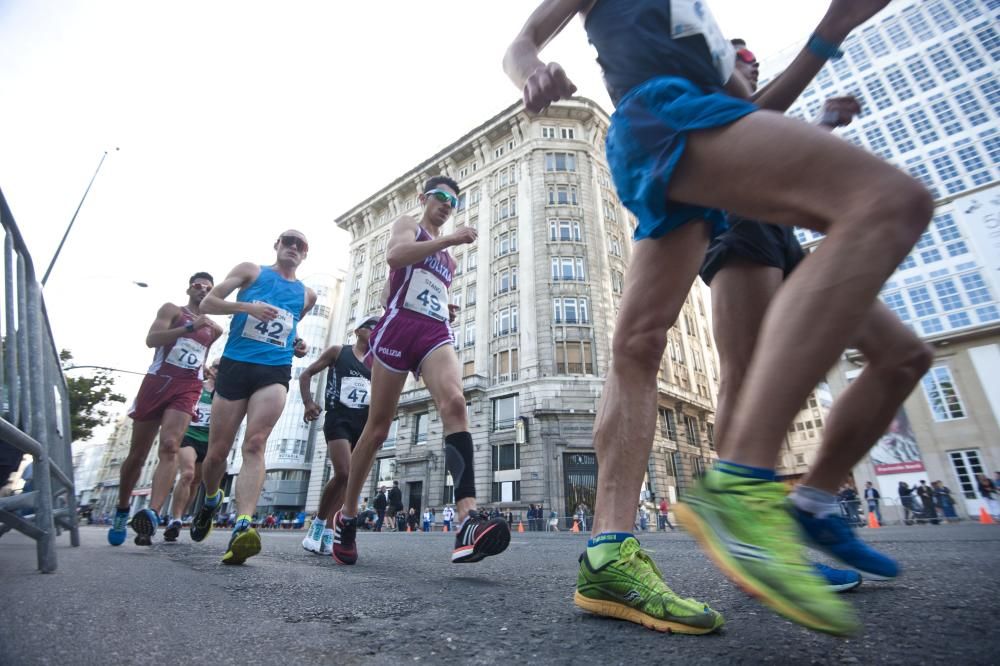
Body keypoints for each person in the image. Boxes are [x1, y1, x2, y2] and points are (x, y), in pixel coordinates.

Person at [505, 0, 931, 636]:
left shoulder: (701, 20)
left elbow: (751, 105)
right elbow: (524, 39)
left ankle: (607, 554)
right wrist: (532, 70)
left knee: (640, 343)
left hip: (695, 133)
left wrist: (830, 30)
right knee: (891, 203)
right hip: (660, 118)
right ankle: (744, 484)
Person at [699, 40, 928, 584]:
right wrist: (828, 40)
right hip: (738, 223)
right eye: (738, 53)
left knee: (902, 357)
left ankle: (815, 504)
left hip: (784, 235)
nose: (750, 59)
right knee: (746, 374)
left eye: (755, 55)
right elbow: (743, 126)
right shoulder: (709, 92)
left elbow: (776, 155)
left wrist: (823, 126)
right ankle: (749, 547)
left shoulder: (758, 112)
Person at [330, 176, 510, 566]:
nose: (447, 205)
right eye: (441, 197)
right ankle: (346, 518)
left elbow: (427, 283)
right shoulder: (408, 227)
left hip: (433, 331)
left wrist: (443, 307)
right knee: (376, 430)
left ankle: (466, 518)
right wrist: (448, 239)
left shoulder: (450, 260)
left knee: (456, 403)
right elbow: (395, 260)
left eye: (454, 202)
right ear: (424, 198)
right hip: (397, 329)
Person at [189, 231, 316, 565]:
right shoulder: (251, 271)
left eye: (300, 245)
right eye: (288, 241)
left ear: (306, 254)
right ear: (276, 245)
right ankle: (212, 498)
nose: (293, 247)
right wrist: (247, 306)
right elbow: (208, 303)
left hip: (273, 370)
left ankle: (243, 525)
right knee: (216, 455)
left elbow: (287, 326)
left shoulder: (307, 294)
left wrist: (297, 343)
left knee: (255, 443)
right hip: (235, 366)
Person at [108, 273, 223, 546]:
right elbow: (152, 339)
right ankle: (123, 509)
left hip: (186, 388)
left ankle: (152, 515)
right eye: (198, 285)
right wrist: (188, 328)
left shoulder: (214, 329)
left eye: (209, 288)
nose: (203, 290)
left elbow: (200, 356)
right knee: (137, 455)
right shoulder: (172, 310)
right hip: (158, 383)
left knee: (171, 445)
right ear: (189, 288)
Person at [299, 316, 378, 556]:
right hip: (337, 419)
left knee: (348, 480)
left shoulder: (377, 363)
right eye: (373, 326)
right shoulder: (338, 351)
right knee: (344, 472)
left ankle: (330, 532)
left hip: (362, 424)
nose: (377, 331)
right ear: (359, 330)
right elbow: (306, 374)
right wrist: (308, 402)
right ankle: (318, 524)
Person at [163, 360, 220, 541]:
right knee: (187, 474)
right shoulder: (197, 386)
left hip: (210, 441)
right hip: (190, 435)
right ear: (211, 369)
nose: (221, 371)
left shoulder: (226, 394)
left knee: (195, 481)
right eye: (218, 367)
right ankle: (176, 519)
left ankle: (181, 515)